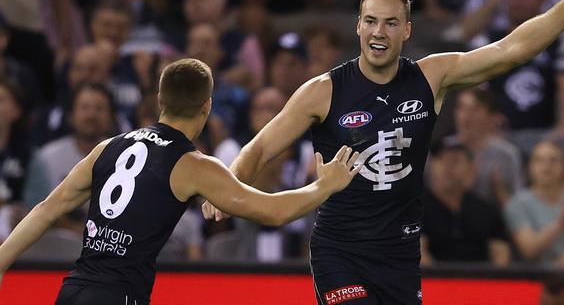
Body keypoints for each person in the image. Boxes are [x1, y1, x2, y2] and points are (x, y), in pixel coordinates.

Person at [202, 0, 564, 304]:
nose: (377, 32)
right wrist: (229, 183)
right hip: (339, 251)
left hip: (401, 255)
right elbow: (259, 149)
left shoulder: (431, 77)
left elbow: (510, 50)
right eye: (370, 21)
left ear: (407, 30)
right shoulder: (323, 91)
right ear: (358, 26)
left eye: (389, 23)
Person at [0, 58, 360, 304]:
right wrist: (323, 186)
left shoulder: (108, 147)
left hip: (74, 289)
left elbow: (48, 208)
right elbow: (272, 211)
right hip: (119, 295)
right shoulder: (193, 166)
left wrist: (1, 261)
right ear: (207, 106)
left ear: (160, 99)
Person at [505, 141, 564, 268]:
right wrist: (560, 225)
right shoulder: (517, 204)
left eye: (553, 161)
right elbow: (529, 250)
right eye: (539, 160)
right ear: (530, 167)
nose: (546, 166)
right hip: (537, 275)